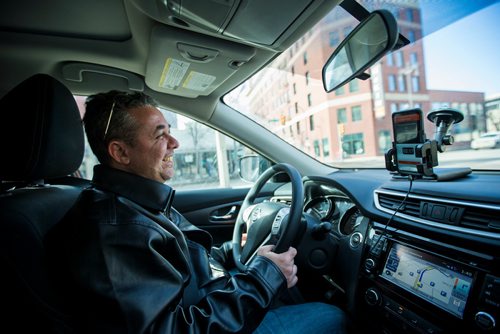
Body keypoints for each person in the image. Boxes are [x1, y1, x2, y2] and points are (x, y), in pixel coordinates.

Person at [50, 90, 347, 333]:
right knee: (332, 315)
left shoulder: (136, 202)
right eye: (159, 135)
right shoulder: (115, 231)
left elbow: (191, 262)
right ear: (120, 152)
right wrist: (263, 279)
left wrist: (237, 255)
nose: (175, 143)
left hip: (211, 306)